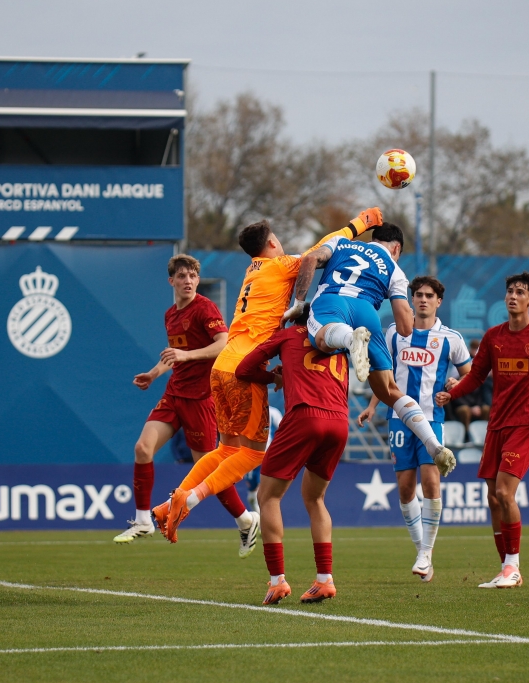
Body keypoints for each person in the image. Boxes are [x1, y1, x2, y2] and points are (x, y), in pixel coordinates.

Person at [155, 208, 384, 542]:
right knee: (252, 454)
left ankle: (170, 502)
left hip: (222, 368)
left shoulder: (252, 271)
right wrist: (362, 223)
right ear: (273, 242)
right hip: (243, 369)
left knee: (226, 449)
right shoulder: (279, 265)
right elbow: (322, 248)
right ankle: (188, 501)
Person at [434, 272, 529, 589]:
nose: (512, 296)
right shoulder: (494, 337)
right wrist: (452, 393)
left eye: (520, 292)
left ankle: (513, 567)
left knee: (504, 493)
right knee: (493, 499)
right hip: (497, 424)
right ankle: (505, 569)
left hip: (527, 424)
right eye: (509, 291)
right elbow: (477, 375)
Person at [288, 223, 457, 478]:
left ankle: (348, 339)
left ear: (372, 239)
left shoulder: (341, 243)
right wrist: (409, 314)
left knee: (321, 339)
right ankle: (435, 446)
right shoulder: (395, 270)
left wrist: (299, 303)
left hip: (332, 301)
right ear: (396, 248)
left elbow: (310, 259)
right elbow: (404, 329)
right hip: (367, 313)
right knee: (390, 390)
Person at [116, 255, 254, 548]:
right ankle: (142, 520)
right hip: (174, 393)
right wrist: (154, 374)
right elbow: (175, 355)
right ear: (172, 281)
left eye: (192, 276)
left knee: (207, 471)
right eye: (182, 276)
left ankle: (245, 520)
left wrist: (187, 356)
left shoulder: (205, 308)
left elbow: (222, 344)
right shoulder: (170, 315)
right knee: (142, 448)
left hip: (201, 398)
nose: (188, 281)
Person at [357, 276, 471, 582]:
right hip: (398, 420)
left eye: (428, 295)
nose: (422, 300)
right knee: (406, 489)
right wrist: (371, 406)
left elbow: (470, 374)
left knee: (431, 483)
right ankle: (422, 549)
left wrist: (455, 386)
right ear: (411, 300)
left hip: (432, 419)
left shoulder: (451, 339)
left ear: (438, 301)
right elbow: (385, 376)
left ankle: (426, 553)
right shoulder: (394, 334)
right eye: (417, 295)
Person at [235, 309, 350, 605]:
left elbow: (243, 369)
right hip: (339, 421)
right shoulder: (339, 343)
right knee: (315, 499)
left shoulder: (287, 334)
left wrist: (273, 376)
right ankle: (324, 579)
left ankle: (277, 581)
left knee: (268, 497)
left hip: (304, 416)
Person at [451, 338, 491, 430]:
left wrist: (478, 406)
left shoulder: (480, 377)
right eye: (474, 348)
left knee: (486, 408)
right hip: (462, 404)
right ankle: (466, 436)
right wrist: (471, 408)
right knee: (465, 410)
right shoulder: (460, 365)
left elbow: (481, 393)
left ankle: (483, 435)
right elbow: (456, 392)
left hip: (475, 403)